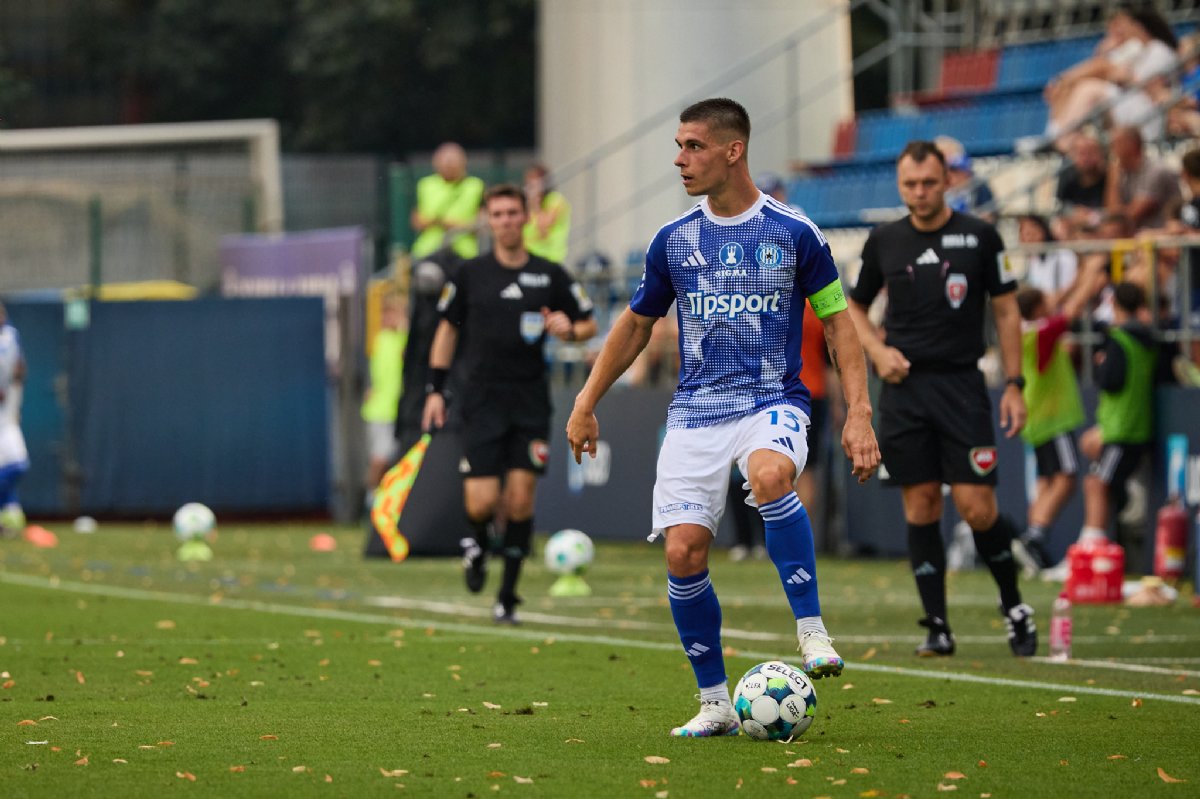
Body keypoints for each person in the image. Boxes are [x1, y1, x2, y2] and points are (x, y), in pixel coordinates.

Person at [565, 98, 881, 738]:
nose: (680, 160)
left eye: (693, 146)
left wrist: (859, 413)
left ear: (733, 151)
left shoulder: (795, 233)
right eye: (678, 147)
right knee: (683, 552)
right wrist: (585, 400)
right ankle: (714, 703)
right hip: (695, 413)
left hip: (772, 400)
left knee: (770, 477)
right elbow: (636, 325)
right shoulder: (673, 239)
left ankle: (811, 628)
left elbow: (839, 325)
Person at [846, 140, 1036, 659]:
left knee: (978, 508)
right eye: (910, 184)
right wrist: (878, 352)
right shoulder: (884, 240)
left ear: (948, 181)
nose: (920, 192)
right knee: (922, 503)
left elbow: (1006, 311)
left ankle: (1014, 605)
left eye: (929, 182)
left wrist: (1014, 384)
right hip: (905, 391)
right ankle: (937, 625)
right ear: (899, 184)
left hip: (962, 386)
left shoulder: (980, 235)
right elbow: (853, 308)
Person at [422, 184, 596, 624]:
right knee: (481, 503)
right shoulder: (470, 273)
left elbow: (587, 323)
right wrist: (435, 391)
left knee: (520, 501)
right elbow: (446, 331)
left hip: (529, 401)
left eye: (512, 213)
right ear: (488, 220)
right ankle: (478, 543)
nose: (505, 221)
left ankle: (507, 596)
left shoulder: (549, 274)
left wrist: (569, 329)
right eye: (497, 214)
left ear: (525, 218)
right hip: (480, 400)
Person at [1044, 282, 1159, 580]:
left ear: (1115, 304)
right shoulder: (1147, 340)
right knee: (1096, 470)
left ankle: (1089, 550)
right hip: (1131, 426)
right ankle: (1113, 517)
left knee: (1095, 484)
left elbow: (1111, 381)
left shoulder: (1119, 340)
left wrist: (1101, 364)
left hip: (1123, 430)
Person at [1011, 258, 1105, 575]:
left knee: (1046, 481)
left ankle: (1031, 541)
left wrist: (1079, 277)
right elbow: (1072, 309)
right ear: (1037, 308)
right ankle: (1035, 537)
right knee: (1065, 479)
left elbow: (1060, 300)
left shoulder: (1025, 331)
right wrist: (1090, 274)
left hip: (1038, 418)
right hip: (1053, 417)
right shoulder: (1043, 331)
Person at [1043, 6, 1179, 148]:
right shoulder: (1132, 50)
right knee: (1070, 88)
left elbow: (1153, 89)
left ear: (1139, 26)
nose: (1119, 32)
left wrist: (1122, 75)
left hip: (1147, 110)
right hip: (1125, 102)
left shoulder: (1158, 49)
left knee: (1089, 89)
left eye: (1123, 25)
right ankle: (1053, 138)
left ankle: (1062, 144)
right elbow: (1104, 69)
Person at [361, 291, 408, 498]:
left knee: (395, 461)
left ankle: (384, 500)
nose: (388, 318)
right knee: (379, 458)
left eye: (393, 313)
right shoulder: (383, 340)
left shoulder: (400, 339)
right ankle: (370, 499)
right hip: (381, 411)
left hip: (398, 411)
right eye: (386, 313)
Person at [410, 142, 486, 260]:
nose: (448, 166)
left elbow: (482, 223)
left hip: (464, 252)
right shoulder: (425, 185)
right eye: (445, 163)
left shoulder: (476, 186)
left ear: (463, 163)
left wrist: (450, 225)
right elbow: (417, 221)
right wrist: (439, 222)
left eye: (452, 162)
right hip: (429, 251)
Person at [1104, 125, 1182, 232]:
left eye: (1115, 144)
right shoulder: (1122, 173)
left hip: (1163, 236)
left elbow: (1128, 218)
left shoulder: (1156, 171)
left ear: (1132, 145)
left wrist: (1113, 182)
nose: (1112, 149)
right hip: (1138, 236)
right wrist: (1113, 181)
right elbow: (1112, 215)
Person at [0, 302, 29, 537]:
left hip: (7, 416)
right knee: (16, 463)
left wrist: (15, 392)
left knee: (17, 464)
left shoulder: (11, 335)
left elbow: (19, 367)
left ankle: (9, 516)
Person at [1019, 214, 1079, 310]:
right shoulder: (1034, 261)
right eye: (1023, 236)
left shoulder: (1064, 255)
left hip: (1060, 310)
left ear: (1041, 232)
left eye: (1030, 234)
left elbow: (1071, 287)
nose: (1026, 240)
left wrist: (1051, 303)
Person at [1055, 133, 1108, 233]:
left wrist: (1092, 217)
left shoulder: (1109, 177)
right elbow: (1060, 207)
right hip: (1075, 229)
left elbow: (1114, 211)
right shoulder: (1067, 177)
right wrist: (1073, 214)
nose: (1086, 158)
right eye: (1082, 153)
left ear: (1101, 154)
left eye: (1091, 153)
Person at [522, 164, 572, 265]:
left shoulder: (555, 200)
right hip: (528, 257)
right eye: (529, 183)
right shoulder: (527, 204)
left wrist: (535, 205)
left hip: (550, 257)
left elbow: (543, 229)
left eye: (535, 183)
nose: (531, 188)